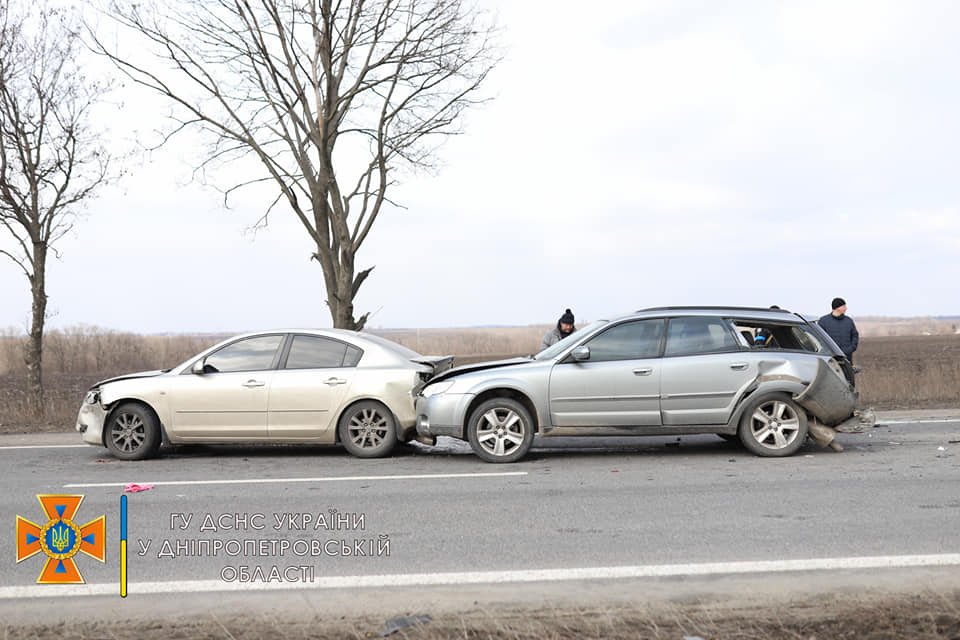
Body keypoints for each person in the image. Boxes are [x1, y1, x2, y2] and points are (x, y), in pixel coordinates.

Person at [818, 297, 859, 363]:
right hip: (830, 358)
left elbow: (855, 335)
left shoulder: (849, 321)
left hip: (847, 357)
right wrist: (827, 351)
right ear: (837, 307)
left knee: (847, 373)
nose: (846, 308)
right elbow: (819, 338)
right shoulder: (823, 321)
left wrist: (851, 348)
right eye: (844, 306)